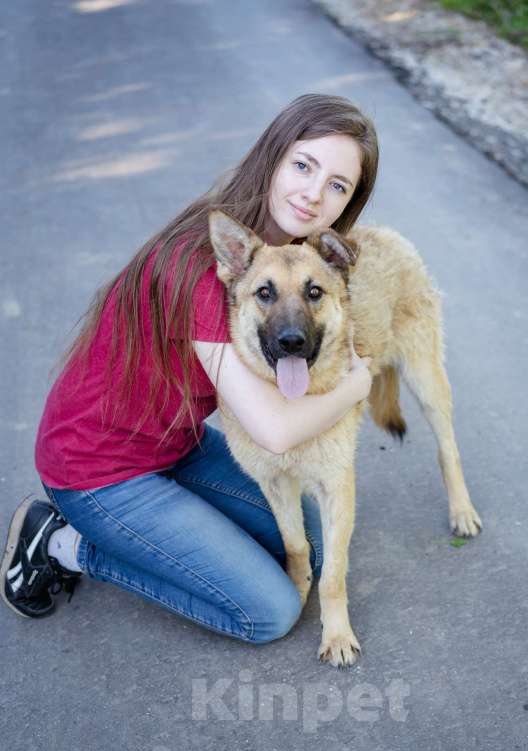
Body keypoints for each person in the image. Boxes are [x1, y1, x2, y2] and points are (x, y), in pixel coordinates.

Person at [1, 93, 378, 645]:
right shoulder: (209, 271)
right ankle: (59, 543)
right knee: (267, 612)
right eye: (304, 165)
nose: (314, 193)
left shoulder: (280, 258)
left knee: (311, 548)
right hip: (99, 468)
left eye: (337, 185)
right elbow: (274, 432)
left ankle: (181, 530)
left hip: (173, 443)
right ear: (273, 157)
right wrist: (358, 385)